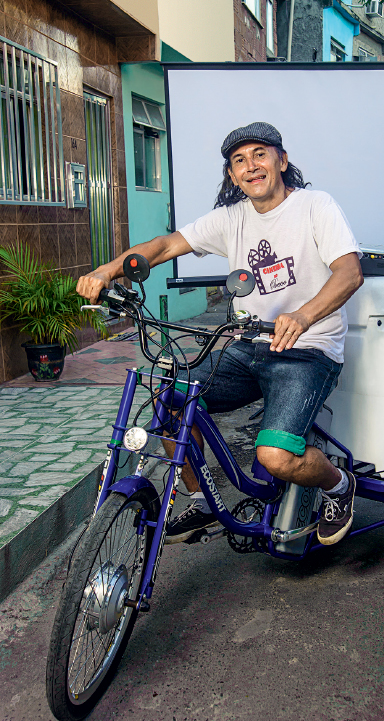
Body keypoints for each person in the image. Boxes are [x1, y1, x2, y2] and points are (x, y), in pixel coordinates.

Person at [77, 122, 364, 546]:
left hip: (308, 351)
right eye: (239, 161)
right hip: (249, 347)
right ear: (233, 176)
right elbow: (163, 246)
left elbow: (350, 272)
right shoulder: (231, 218)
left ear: (282, 161)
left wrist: (302, 316)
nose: (251, 166)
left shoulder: (315, 206)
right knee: (170, 397)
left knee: (276, 456)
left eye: (260, 155)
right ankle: (202, 501)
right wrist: (107, 270)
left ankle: (338, 486)